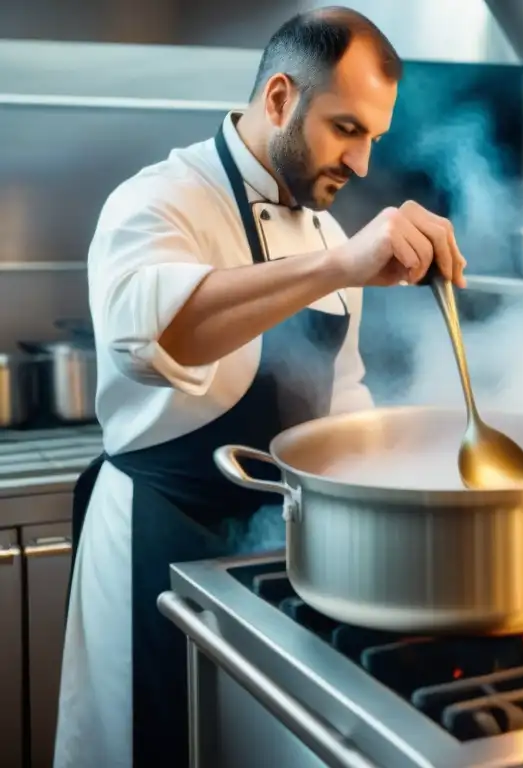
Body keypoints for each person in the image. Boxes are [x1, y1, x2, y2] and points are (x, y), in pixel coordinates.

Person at [53, 8, 465, 767]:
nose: (365, 163)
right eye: (346, 129)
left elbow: (343, 405)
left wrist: (422, 493)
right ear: (279, 99)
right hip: (159, 540)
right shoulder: (156, 202)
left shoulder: (331, 235)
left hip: (274, 559)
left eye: (374, 136)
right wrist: (341, 267)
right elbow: (156, 336)